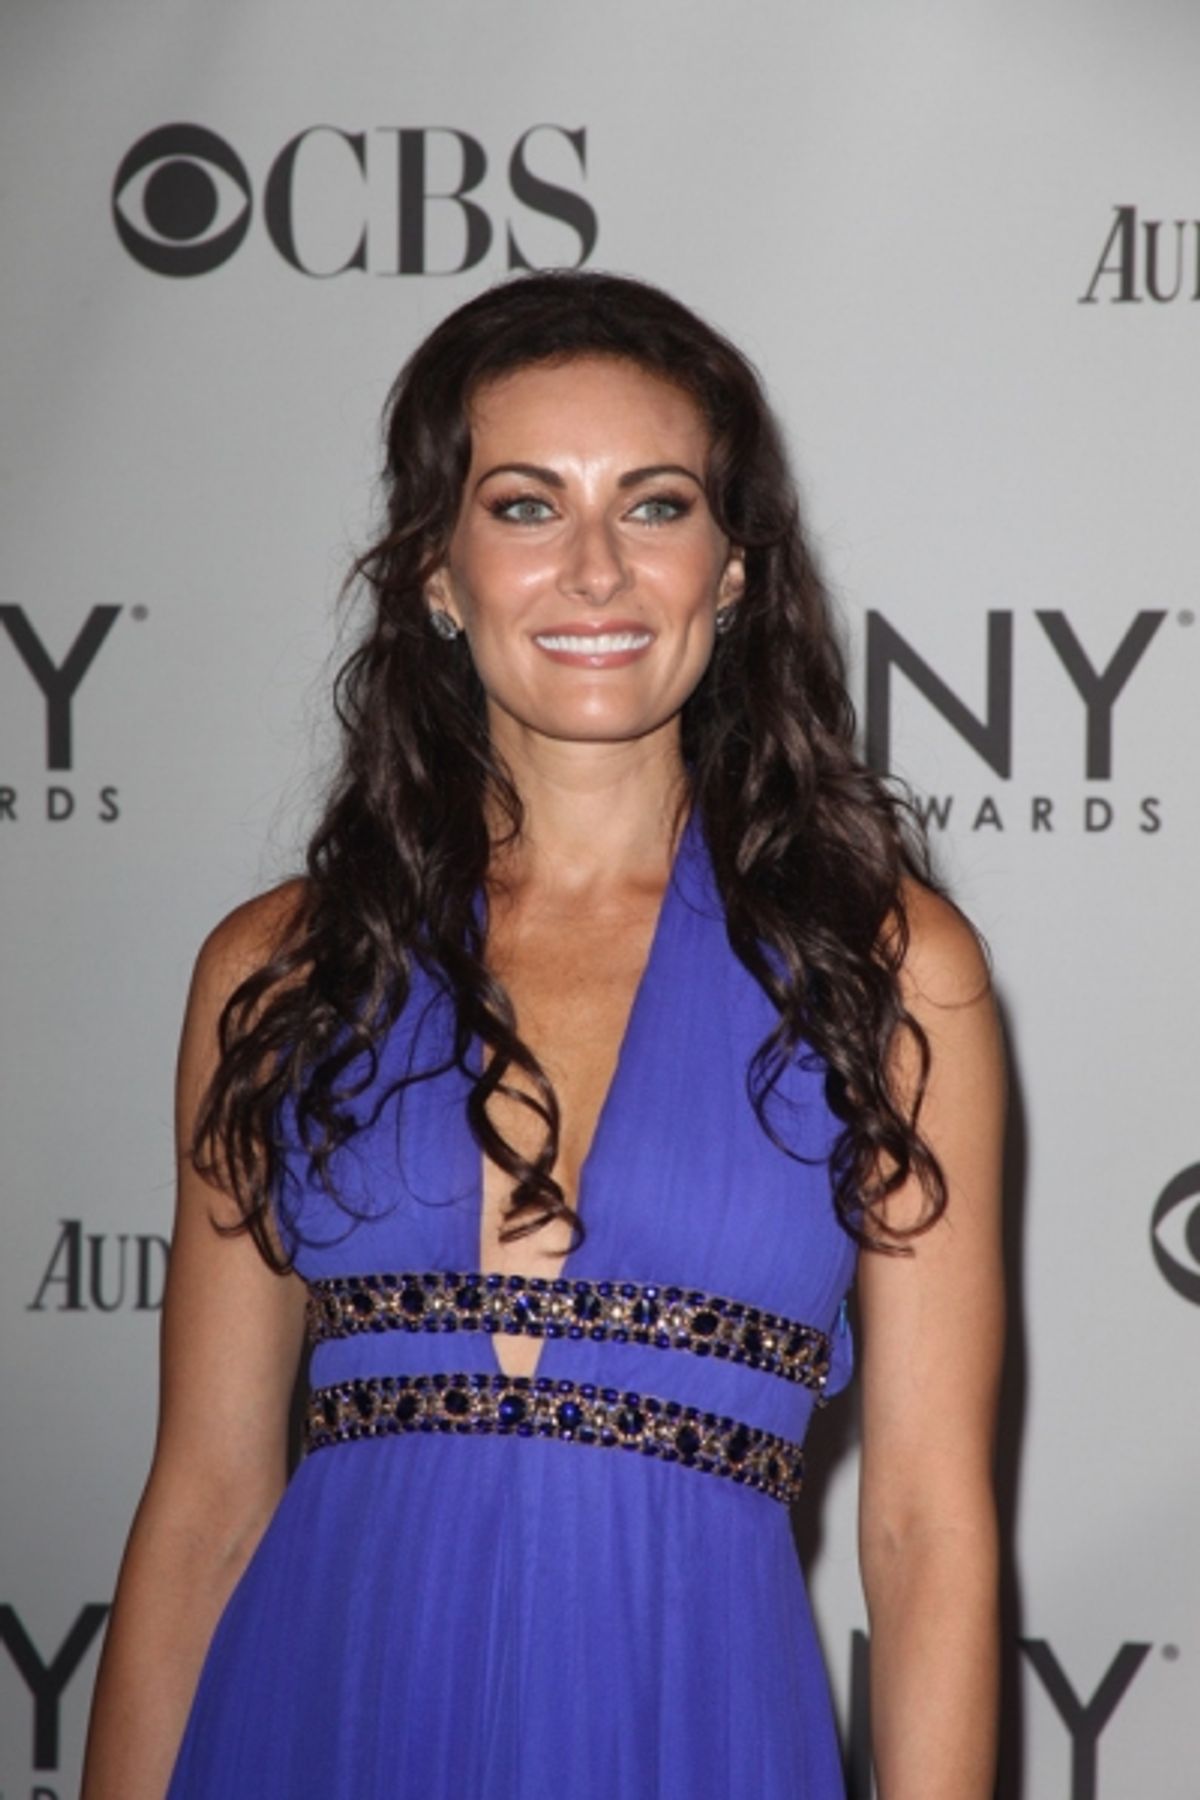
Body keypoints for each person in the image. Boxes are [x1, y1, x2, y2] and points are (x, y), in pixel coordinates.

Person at [81, 269, 1005, 1799]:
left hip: (694, 1732)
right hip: (321, 1719)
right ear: (437, 571)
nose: (595, 571)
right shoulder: (280, 968)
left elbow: (924, 1528)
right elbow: (205, 1505)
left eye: (654, 508)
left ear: (731, 571)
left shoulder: (889, 968)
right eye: (523, 506)